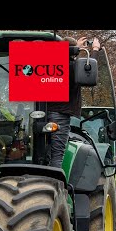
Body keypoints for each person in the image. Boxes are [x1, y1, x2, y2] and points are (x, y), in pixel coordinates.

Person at [47, 36, 100, 168]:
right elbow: (89, 68)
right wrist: (95, 49)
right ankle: (54, 184)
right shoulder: (73, 68)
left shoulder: (49, 65)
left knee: (45, 152)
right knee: (57, 156)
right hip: (60, 114)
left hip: (41, 112)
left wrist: (75, 49)